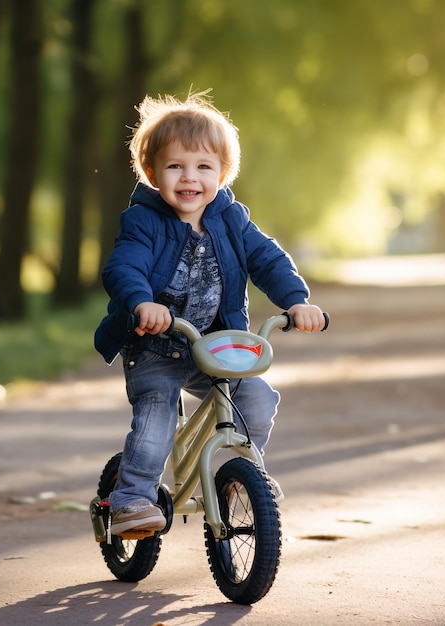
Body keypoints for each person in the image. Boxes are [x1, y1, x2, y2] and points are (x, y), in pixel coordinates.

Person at [93, 91, 326, 535]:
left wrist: (296, 301)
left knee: (257, 402)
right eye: (175, 166)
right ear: (152, 172)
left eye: (203, 167)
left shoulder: (232, 218)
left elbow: (267, 260)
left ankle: (242, 479)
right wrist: (143, 303)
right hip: (155, 346)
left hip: (215, 345)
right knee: (155, 421)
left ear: (222, 172)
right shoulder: (143, 221)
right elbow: (125, 266)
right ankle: (131, 500)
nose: (190, 178)